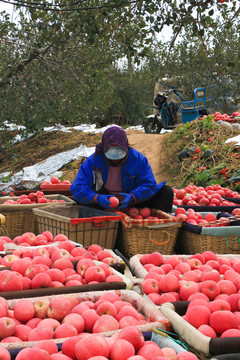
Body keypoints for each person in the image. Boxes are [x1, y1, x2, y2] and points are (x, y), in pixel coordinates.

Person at [70, 126, 174, 213]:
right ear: (104, 148)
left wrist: (133, 196)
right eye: (111, 154)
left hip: (133, 202)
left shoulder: (138, 159)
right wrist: (96, 198)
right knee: (85, 208)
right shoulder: (94, 161)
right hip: (105, 203)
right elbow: (77, 187)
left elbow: (149, 184)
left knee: (166, 192)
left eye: (120, 154)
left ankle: (154, 226)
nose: (116, 159)